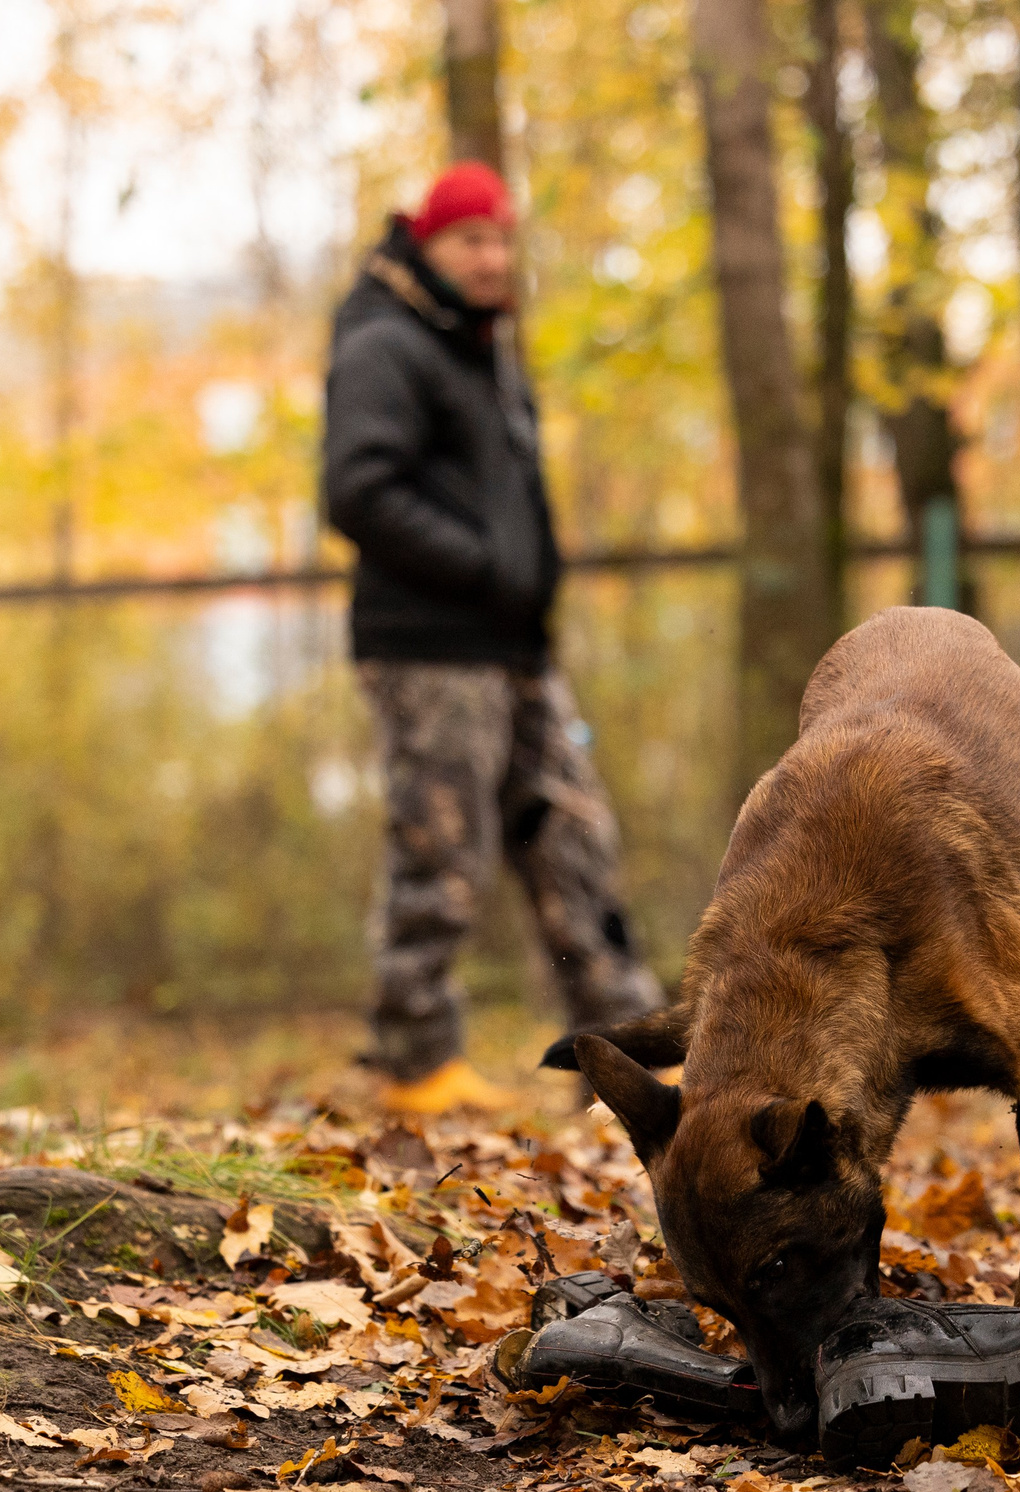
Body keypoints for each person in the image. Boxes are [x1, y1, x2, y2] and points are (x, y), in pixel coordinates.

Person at [322, 162, 665, 1116]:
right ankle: (416, 1059)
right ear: (426, 246)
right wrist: (484, 567)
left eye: (501, 240)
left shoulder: (480, 349)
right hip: (429, 646)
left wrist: (520, 590)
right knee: (445, 854)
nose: (490, 258)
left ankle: (628, 1059)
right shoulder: (387, 346)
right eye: (470, 240)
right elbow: (358, 490)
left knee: (573, 839)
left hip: (515, 649)